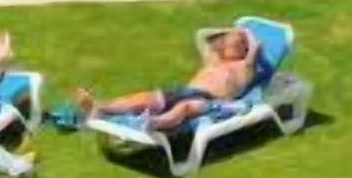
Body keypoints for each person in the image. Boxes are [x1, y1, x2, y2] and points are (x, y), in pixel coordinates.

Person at [76, 26, 262, 137]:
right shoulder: (213, 60)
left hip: (210, 100)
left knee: (185, 108)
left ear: (245, 47)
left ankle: (153, 123)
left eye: (238, 43)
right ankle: (99, 107)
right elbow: (202, 35)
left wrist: (245, 32)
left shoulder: (244, 67)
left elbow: (257, 46)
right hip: (184, 90)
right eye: (229, 41)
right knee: (146, 98)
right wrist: (231, 30)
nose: (231, 44)